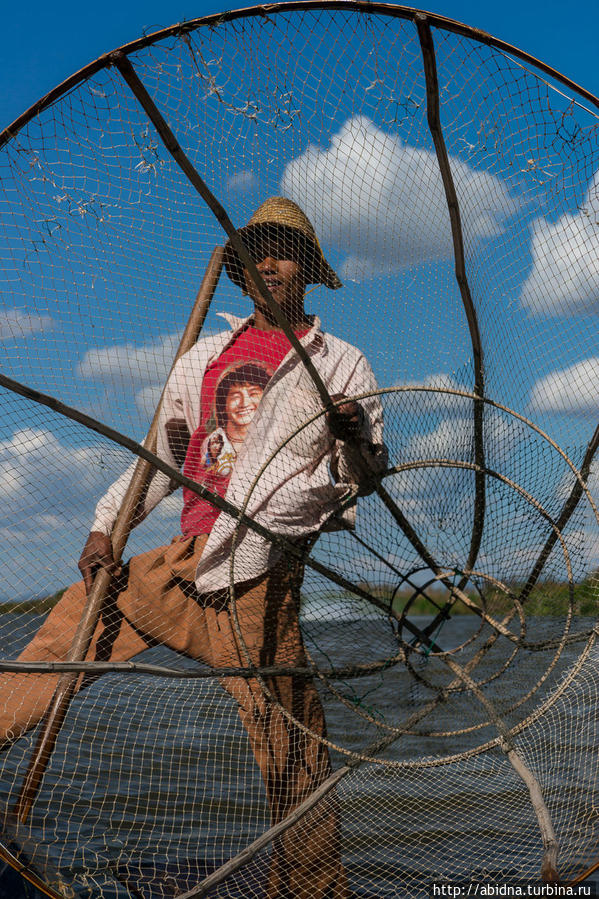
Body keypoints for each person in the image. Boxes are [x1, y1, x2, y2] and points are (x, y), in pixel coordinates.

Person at [0, 197, 386, 898]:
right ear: (240, 272)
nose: (272, 263)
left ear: (306, 269)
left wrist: (354, 431)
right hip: (180, 564)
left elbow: (361, 474)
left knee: (292, 749)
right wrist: (103, 522)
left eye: (286, 251)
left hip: (259, 578)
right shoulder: (203, 359)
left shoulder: (342, 362)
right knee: (68, 629)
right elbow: (158, 455)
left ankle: (309, 891)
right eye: (258, 251)